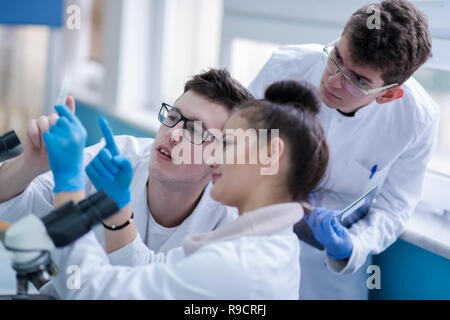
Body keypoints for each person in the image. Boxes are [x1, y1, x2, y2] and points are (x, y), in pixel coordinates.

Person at [42, 80, 329, 299]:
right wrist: (119, 212)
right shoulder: (267, 243)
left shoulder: (237, 266)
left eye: (226, 144)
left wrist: (68, 183)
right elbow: (152, 270)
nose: (213, 157)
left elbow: (92, 290)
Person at [0, 69, 253, 295]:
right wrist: (29, 165)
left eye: (196, 131)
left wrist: (118, 215)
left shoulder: (228, 223)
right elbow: (13, 203)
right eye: (174, 116)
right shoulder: (120, 155)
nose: (173, 134)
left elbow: (148, 289)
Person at [249, 0, 439, 299]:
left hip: (328, 263)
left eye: (358, 79)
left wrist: (352, 245)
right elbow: (239, 147)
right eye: (337, 57)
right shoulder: (285, 66)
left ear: (389, 94)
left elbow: (395, 206)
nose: (333, 81)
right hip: (258, 228)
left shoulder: (416, 119)